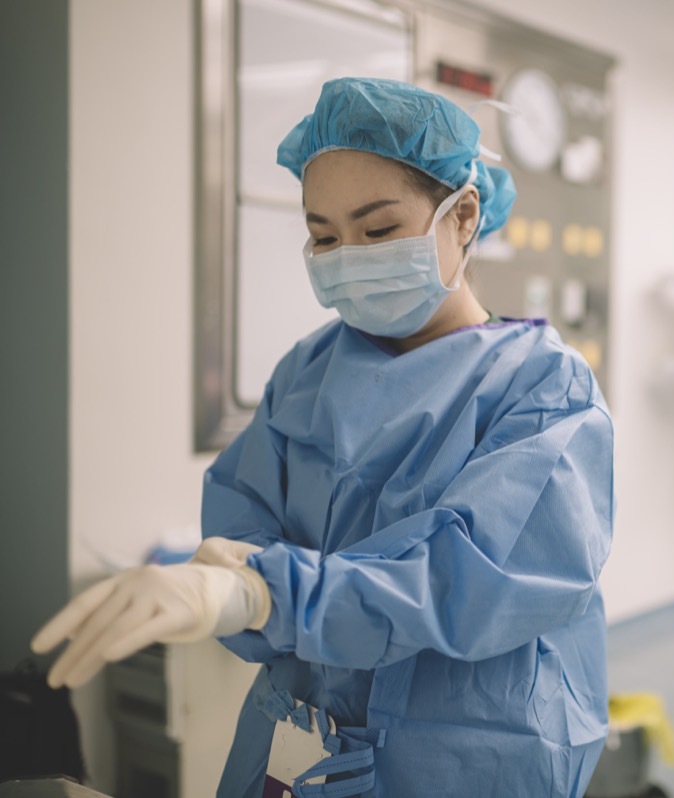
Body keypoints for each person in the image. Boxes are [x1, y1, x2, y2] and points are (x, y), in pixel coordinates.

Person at [31, 77, 614, 797]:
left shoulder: (545, 390)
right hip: (293, 748)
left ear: (463, 217)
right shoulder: (309, 371)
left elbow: (464, 579)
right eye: (324, 236)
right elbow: (244, 525)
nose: (348, 256)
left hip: (466, 756)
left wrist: (262, 594)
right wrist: (225, 584)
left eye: (376, 231)